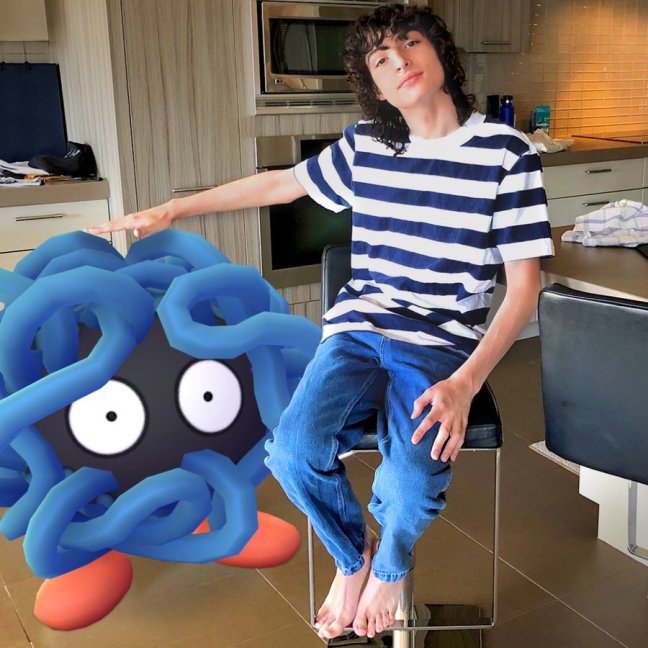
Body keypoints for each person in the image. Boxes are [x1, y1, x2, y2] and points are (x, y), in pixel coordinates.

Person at [87, 4, 554, 642]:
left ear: (440, 52)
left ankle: (390, 566)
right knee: (293, 452)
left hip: (440, 344)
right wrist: (173, 209)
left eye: (410, 43)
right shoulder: (367, 145)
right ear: (375, 86)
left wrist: (466, 383)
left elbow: (524, 288)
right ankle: (355, 556)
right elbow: (280, 184)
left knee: (411, 482)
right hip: (357, 332)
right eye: (381, 60)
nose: (400, 62)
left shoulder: (507, 153)